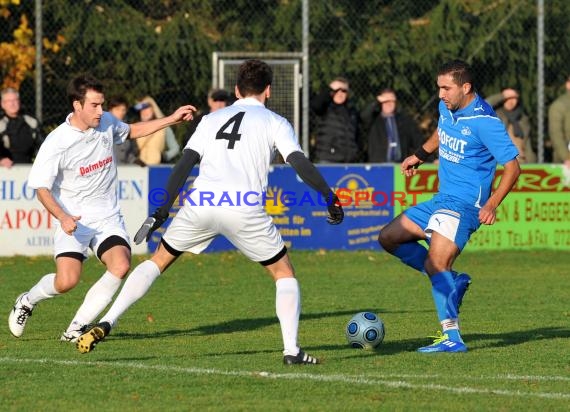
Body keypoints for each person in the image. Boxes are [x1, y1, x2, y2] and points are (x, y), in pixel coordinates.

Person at [75, 59, 344, 365]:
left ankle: (108, 320)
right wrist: (329, 196)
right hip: (243, 207)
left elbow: (185, 162)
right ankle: (291, 350)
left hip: (200, 203)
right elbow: (298, 162)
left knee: (158, 261)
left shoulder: (212, 119)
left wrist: (162, 210)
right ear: (268, 90)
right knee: (283, 273)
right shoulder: (275, 122)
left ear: (236, 90)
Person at [8, 74, 195, 342]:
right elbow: (40, 188)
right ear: (77, 105)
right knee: (66, 281)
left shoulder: (105, 122)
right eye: (94, 105)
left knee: (120, 264)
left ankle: (75, 328)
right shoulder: (57, 141)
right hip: (73, 219)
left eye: (102, 104)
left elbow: (131, 130)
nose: (101, 111)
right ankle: (27, 300)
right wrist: (62, 217)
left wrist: (172, 119)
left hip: (107, 217)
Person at [378, 60, 520, 353]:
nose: (441, 94)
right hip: (442, 200)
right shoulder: (448, 108)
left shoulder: (485, 122)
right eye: (439, 87)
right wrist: (419, 155)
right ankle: (450, 281)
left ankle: (452, 337)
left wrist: (492, 204)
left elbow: (513, 167)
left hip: (465, 205)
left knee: (435, 262)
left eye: (446, 88)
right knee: (389, 237)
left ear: (465, 88)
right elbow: (441, 133)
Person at [360, 88, 424, 163]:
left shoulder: (405, 121)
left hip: (401, 164)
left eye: (391, 101)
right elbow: (363, 116)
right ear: (380, 102)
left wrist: (430, 158)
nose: (389, 103)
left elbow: (418, 141)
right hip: (379, 165)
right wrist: (377, 101)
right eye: (385, 101)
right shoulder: (374, 120)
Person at [310, 77, 360, 163]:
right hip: (328, 159)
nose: (340, 93)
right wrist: (330, 88)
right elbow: (315, 105)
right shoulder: (325, 107)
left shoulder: (351, 111)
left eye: (343, 91)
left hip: (348, 161)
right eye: (336, 90)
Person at [486, 88, 536, 163]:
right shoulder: (494, 115)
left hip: (521, 161)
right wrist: (502, 96)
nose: (511, 101)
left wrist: (532, 161)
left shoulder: (523, 118)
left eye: (514, 98)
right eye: (508, 98)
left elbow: (527, 145)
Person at [0, 87, 43, 164]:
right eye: (9, 101)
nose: (12, 104)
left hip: (29, 167)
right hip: (4, 169)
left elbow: (43, 145)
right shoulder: (1, 124)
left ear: (19, 102)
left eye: (15, 100)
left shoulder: (32, 122)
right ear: (2, 104)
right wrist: (1, 159)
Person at [135, 96, 181, 165]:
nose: (143, 111)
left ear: (153, 108)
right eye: (141, 109)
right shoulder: (135, 127)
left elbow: (175, 148)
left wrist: (164, 156)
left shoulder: (164, 127)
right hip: (138, 168)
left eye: (146, 107)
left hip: (156, 168)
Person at [108, 96, 145, 166]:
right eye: (117, 109)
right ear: (110, 110)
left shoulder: (128, 128)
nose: (121, 112)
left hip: (124, 170)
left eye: (123, 110)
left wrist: (135, 161)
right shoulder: (103, 128)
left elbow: (130, 152)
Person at [548, 75, 570, 168]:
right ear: (568, 85)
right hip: (565, 161)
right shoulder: (559, 106)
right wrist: (566, 157)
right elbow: (556, 134)